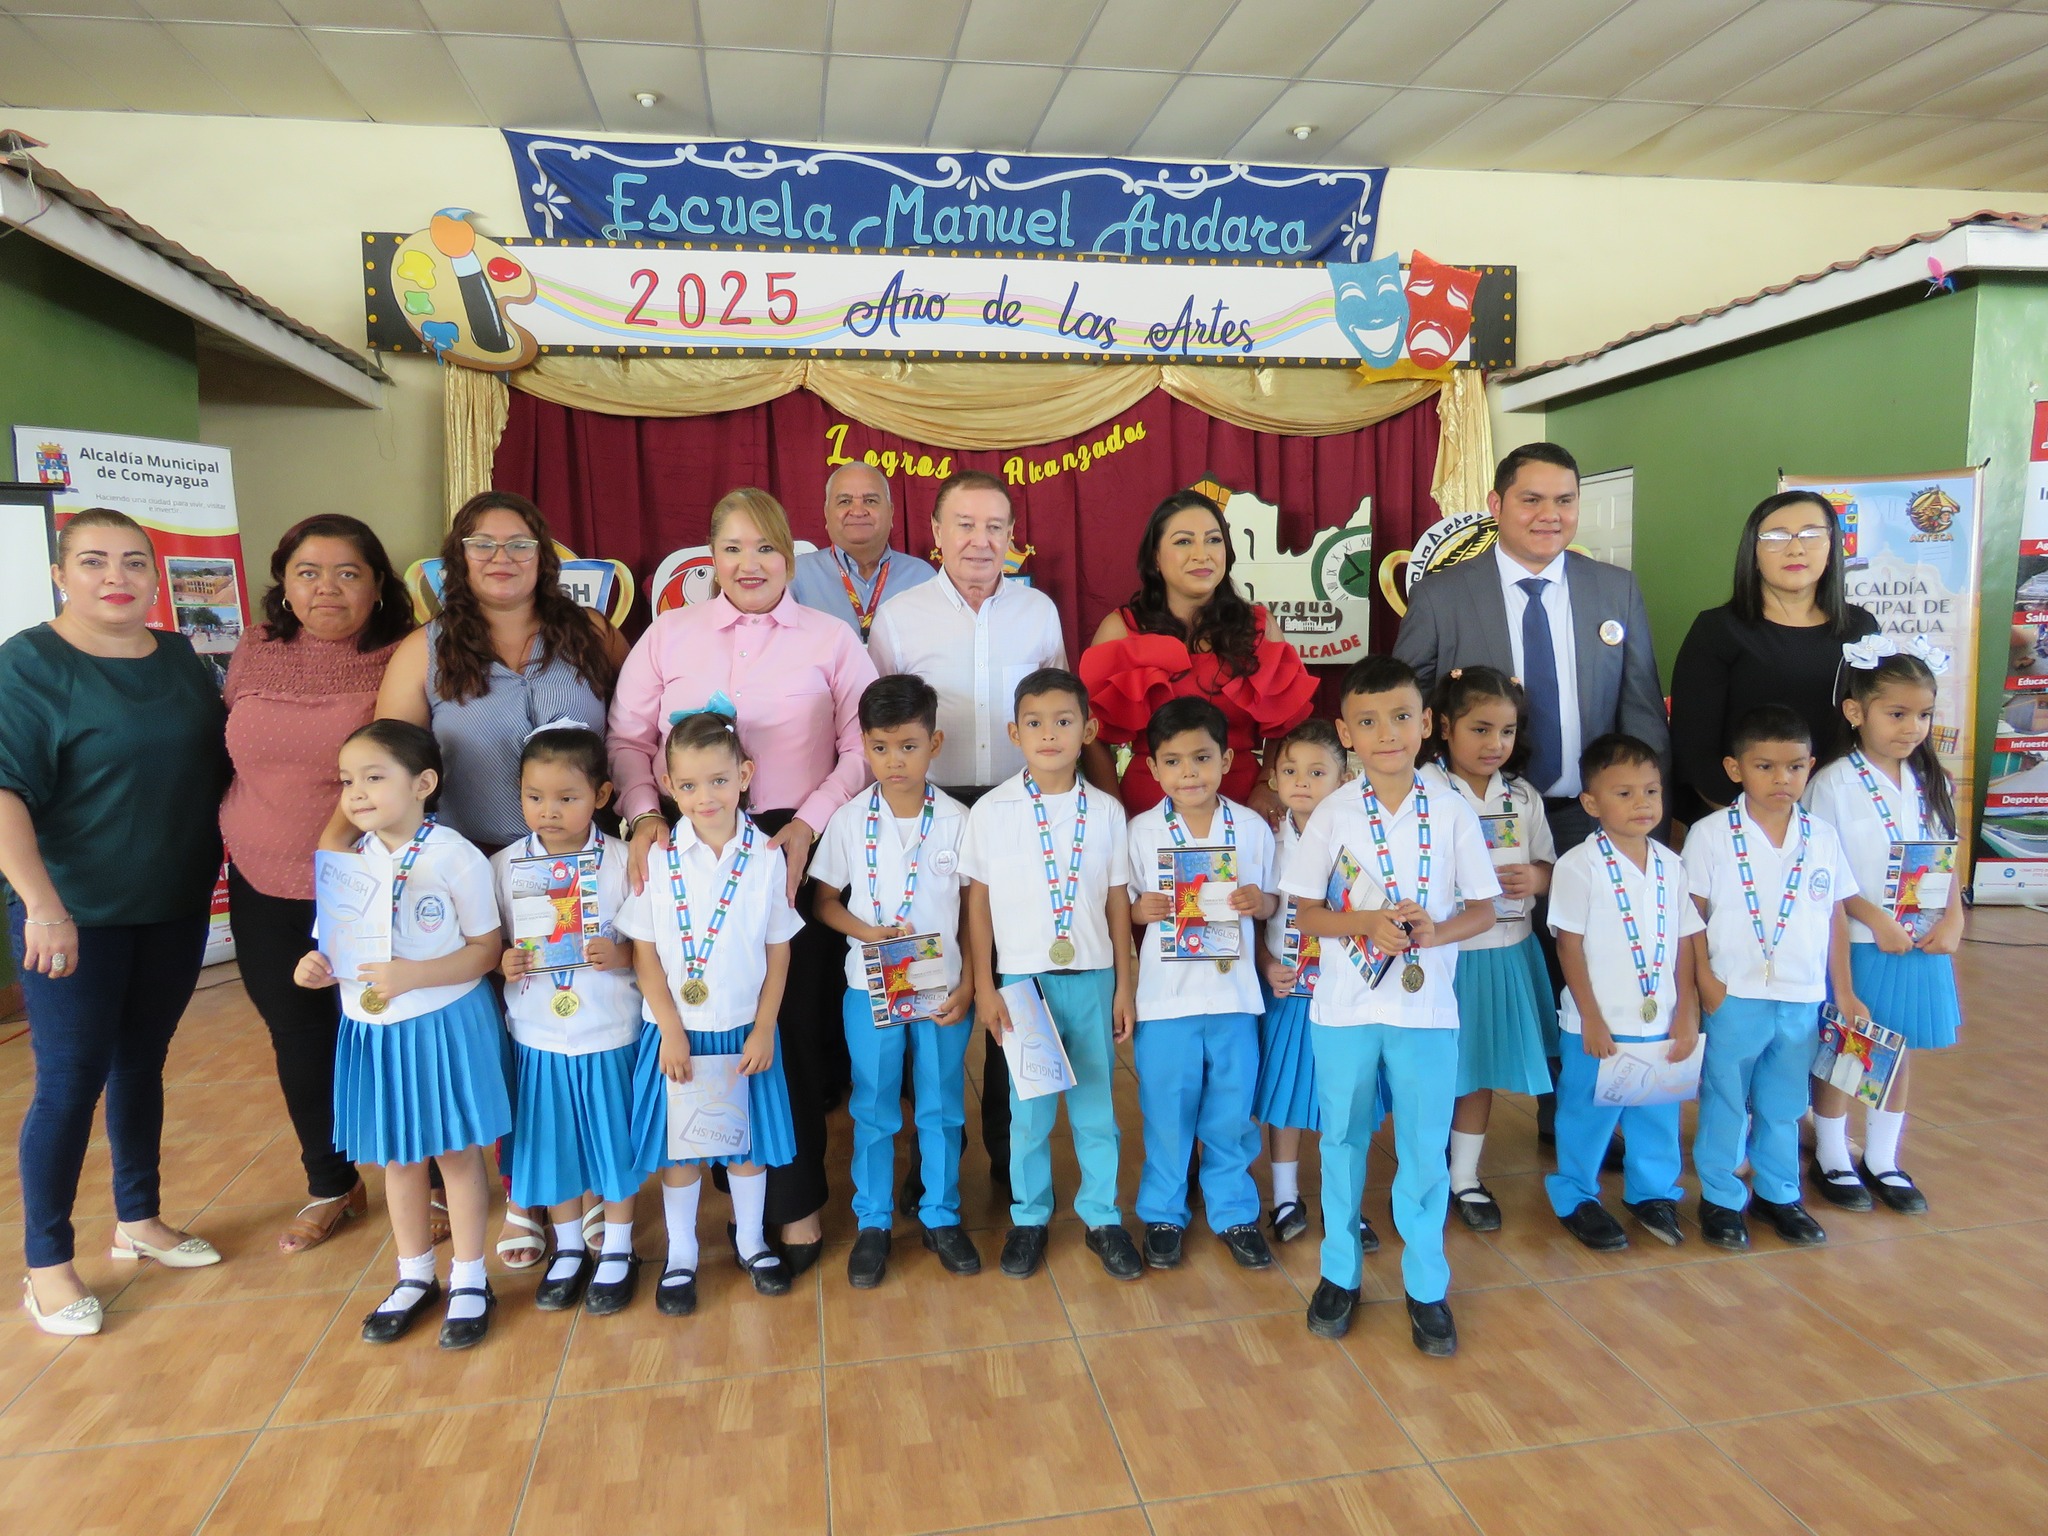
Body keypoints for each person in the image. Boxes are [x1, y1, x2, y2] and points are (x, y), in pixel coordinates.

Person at [609, 488, 876, 1275]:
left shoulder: (831, 638)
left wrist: (809, 822)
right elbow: (626, 739)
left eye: (765, 547)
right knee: (700, 1027)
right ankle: (715, 1195)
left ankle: (790, 1207)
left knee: (786, 1033)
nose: (749, 564)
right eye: (732, 548)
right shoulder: (667, 636)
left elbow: (866, 744)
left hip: (789, 845)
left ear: (789, 554)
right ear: (710, 557)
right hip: (688, 845)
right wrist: (643, 816)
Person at [375, 490, 624, 1268]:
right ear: (457, 557)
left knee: (576, 1033)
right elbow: (389, 758)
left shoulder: (587, 634)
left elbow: (640, 731)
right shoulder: (427, 647)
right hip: (473, 877)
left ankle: (584, 1187)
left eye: (518, 544)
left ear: (543, 554)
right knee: (504, 1042)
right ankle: (523, 1194)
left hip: (582, 868)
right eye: (483, 545)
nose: (502, 558)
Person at [2, 509, 231, 1336]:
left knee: (143, 1061)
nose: (116, 576)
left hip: (171, 902)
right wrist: (43, 905)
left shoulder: (177, 656)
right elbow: (4, 794)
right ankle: (46, 1265)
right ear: (61, 572)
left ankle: (139, 1219)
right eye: (94, 561)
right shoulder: (28, 664)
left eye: (134, 561)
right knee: (68, 1081)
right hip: (73, 915)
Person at [1281, 655, 1498, 1355]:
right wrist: (1362, 926)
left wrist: (1440, 930)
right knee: (1341, 1140)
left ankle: (1426, 1284)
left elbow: (1487, 909)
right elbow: (1308, 914)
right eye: (1368, 722)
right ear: (1345, 733)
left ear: (1427, 724)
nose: (1387, 734)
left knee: (1422, 1149)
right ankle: (1339, 1272)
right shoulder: (1333, 813)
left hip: (1426, 1011)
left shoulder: (1453, 810)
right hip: (1343, 1010)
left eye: (1402, 717)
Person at [868, 468, 1067, 1191]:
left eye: (994, 527)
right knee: (936, 984)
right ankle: (932, 1165)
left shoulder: (1039, 612)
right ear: (935, 534)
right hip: (932, 812)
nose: (980, 541)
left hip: (1020, 813)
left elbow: (1057, 717)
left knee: (1016, 983)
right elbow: (882, 728)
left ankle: (1017, 1165)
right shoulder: (898, 617)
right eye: (965, 525)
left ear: (1012, 538)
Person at [223, 513, 413, 1256]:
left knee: (391, 1031)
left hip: (368, 877)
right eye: (308, 572)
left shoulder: (399, 656)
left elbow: (404, 760)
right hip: (261, 874)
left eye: (347, 573)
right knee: (298, 1035)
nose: (326, 587)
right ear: (284, 585)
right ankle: (332, 1183)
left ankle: (419, 1178)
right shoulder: (254, 650)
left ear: (376, 586)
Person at [293, 721, 510, 1350]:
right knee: (398, 1158)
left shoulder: (454, 855)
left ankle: (470, 1278)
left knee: (456, 1155)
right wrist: (314, 969)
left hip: (442, 1025)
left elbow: (485, 952)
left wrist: (417, 974)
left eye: (373, 777)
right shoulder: (348, 866)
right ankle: (415, 1274)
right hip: (374, 1031)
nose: (356, 793)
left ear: (424, 783)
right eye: (347, 781)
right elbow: (330, 950)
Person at [1393, 443, 1668, 853]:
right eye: (1532, 500)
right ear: (1496, 504)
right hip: (1476, 817)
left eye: (1565, 501)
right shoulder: (1440, 596)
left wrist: (1648, 831)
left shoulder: (1616, 590)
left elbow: (1641, 715)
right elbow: (1406, 709)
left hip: (1592, 817)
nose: (1550, 515)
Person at [618, 709, 802, 1312]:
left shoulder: (767, 856)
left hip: (745, 1031)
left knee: (745, 1148)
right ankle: (681, 1256)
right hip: (678, 1036)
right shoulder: (659, 858)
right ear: (668, 785)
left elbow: (778, 953)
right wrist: (669, 1028)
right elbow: (643, 955)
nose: (706, 796)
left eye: (720, 781)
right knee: (682, 1152)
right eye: (690, 785)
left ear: (745, 775)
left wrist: (767, 1026)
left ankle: (750, 1242)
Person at [963, 668, 1139, 1283]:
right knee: (1029, 1113)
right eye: (1034, 722)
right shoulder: (990, 812)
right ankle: (1029, 1217)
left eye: (1064, 721)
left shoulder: (1109, 813)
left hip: (1090, 975)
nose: (1049, 734)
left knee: (1095, 1106)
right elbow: (977, 906)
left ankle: (1102, 1216)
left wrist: (1124, 983)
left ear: (1087, 729)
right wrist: (984, 985)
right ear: (1014, 732)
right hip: (1022, 985)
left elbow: (1119, 900)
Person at [810, 675, 979, 1288]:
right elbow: (824, 900)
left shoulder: (959, 821)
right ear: (863, 745)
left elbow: (973, 913)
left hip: (941, 989)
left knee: (941, 1107)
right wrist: (865, 931)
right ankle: (874, 1221)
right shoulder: (851, 820)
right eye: (880, 747)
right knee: (874, 1105)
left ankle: (941, 1214)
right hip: (870, 986)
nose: (894, 760)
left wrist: (972, 986)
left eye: (908, 745)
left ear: (935, 743)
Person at [1685, 705, 1865, 1251]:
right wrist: (1703, 985)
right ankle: (1719, 1198)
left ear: (1810, 766)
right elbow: (1689, 917)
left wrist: (1845, 989)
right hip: (1733, 992)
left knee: (1785, 1102)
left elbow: (1834, 915)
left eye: (1793, 767)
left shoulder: (1823, 837)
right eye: (1765, 766)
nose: (1781, 779)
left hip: (1801, 995)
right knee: (1725, 1097)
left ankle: (1780, 1193)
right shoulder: (1711, 834)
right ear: (1735, 768)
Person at [1804, 640, 1963, 1215]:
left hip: (1920, 944)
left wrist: (1954, 917)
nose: (1912, 727)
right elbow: (1825, 872)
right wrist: (1873, 920)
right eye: (1896, 714)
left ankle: (1884, 1157)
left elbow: (1949, 851)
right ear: (1856, 712)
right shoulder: (1832, 784)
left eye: (1923, 714)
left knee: (1899, 1052)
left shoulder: (1932, 780)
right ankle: (1832, 1156)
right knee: (1847, 1048)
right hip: (1859, 942)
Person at [492, 722, 644, 1315]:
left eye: (566, 798)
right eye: (534, 796)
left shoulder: (625, 861)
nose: (548, 811)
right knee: (553, 1143)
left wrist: (624, 953)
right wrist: (504, 961)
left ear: (602, 797)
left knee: (614, 1142)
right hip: (538, 1034)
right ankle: (570, 1247)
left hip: (608, 1030)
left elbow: (649, 945)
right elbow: (493, 941)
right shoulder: (505, 865)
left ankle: (620, 1247)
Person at [1124, 696, 1276, 1272]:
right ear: (1154, 769)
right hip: (1167, 1001)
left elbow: (1275, 901)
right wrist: (1145, 910)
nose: (1188, 773)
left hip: (1236, 997)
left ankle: (1235, 1211)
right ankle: (1163, 1211)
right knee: (1167, 1108)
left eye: (1201, 758)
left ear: (1227, 759)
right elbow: (1126, 907)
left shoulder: (1252, 828)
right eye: (1173, 761)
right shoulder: (1141, 833)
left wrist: (1259, 901)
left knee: (1233, 1111)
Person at [1544, 734, 1704, 1251]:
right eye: (1625, 793)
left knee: (1656, 1109)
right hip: (1599, 1024)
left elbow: (1685, 943)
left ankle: (1652, 1191)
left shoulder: (1670, 864)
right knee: (1587, 1112)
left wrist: (1687, 1013)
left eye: (1651, 791)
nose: (1643, 804)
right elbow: (1569, 947)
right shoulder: (1578, 866)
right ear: (1591, 803)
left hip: (1659, 1020)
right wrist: (1589, 1017)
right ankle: (1576, 1193)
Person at [1080, 490, 1317, 818]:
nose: (1201, 554)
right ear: (1155, 559)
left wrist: (1268, 784)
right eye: (1183, 542)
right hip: (1147, 813)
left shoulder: (1259, 627)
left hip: (1247, 810)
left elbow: (1288, 721)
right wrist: (1112, 811)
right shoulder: (1120, 630)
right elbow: (1089, 734)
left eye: (1213, 540)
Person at [1419, 668, 1556, 1232]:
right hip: (1440, 956)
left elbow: (1548, 864)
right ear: (1445, 728)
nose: (1494, 744)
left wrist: (1535, 878)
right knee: (1429, 1069)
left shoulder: (1521, 796)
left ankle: (1466, 1177)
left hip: (1503, 953)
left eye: (1506, 731)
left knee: (1478, 1071)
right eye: (1479, 729)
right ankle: (1424, 1166)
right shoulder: (1422, 787)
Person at [1670, 490, 1880, 823]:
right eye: (1776, 536)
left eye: (1811, 534)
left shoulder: (1860, 628)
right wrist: (1761, 824)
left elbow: (1872, 731)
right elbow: (1694, 749)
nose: (1795, 548)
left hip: (1837, 816)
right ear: (1753, 552)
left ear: (1832, 546)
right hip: (1736, 819)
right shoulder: (1717, 630)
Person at [1253, 718, 1354, 1244]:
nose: (1301, 781)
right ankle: (1286, 1197)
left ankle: (1347, 1200)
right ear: (1273, 778)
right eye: (1290, 770)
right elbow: (1257, 914)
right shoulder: (1268, 839)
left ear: (1343, 778)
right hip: (1289, 989)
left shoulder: (1358, 837)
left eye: (1317, 772)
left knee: (1344, 1097)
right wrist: (1266, 964)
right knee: (1286, 1096)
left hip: (1348, 994)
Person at [789, 461, 936, 639]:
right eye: (845, 501)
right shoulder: (794, 575)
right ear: (826, 514)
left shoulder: (923, 578)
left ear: (891, 513)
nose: (858, 511)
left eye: (870, 501)